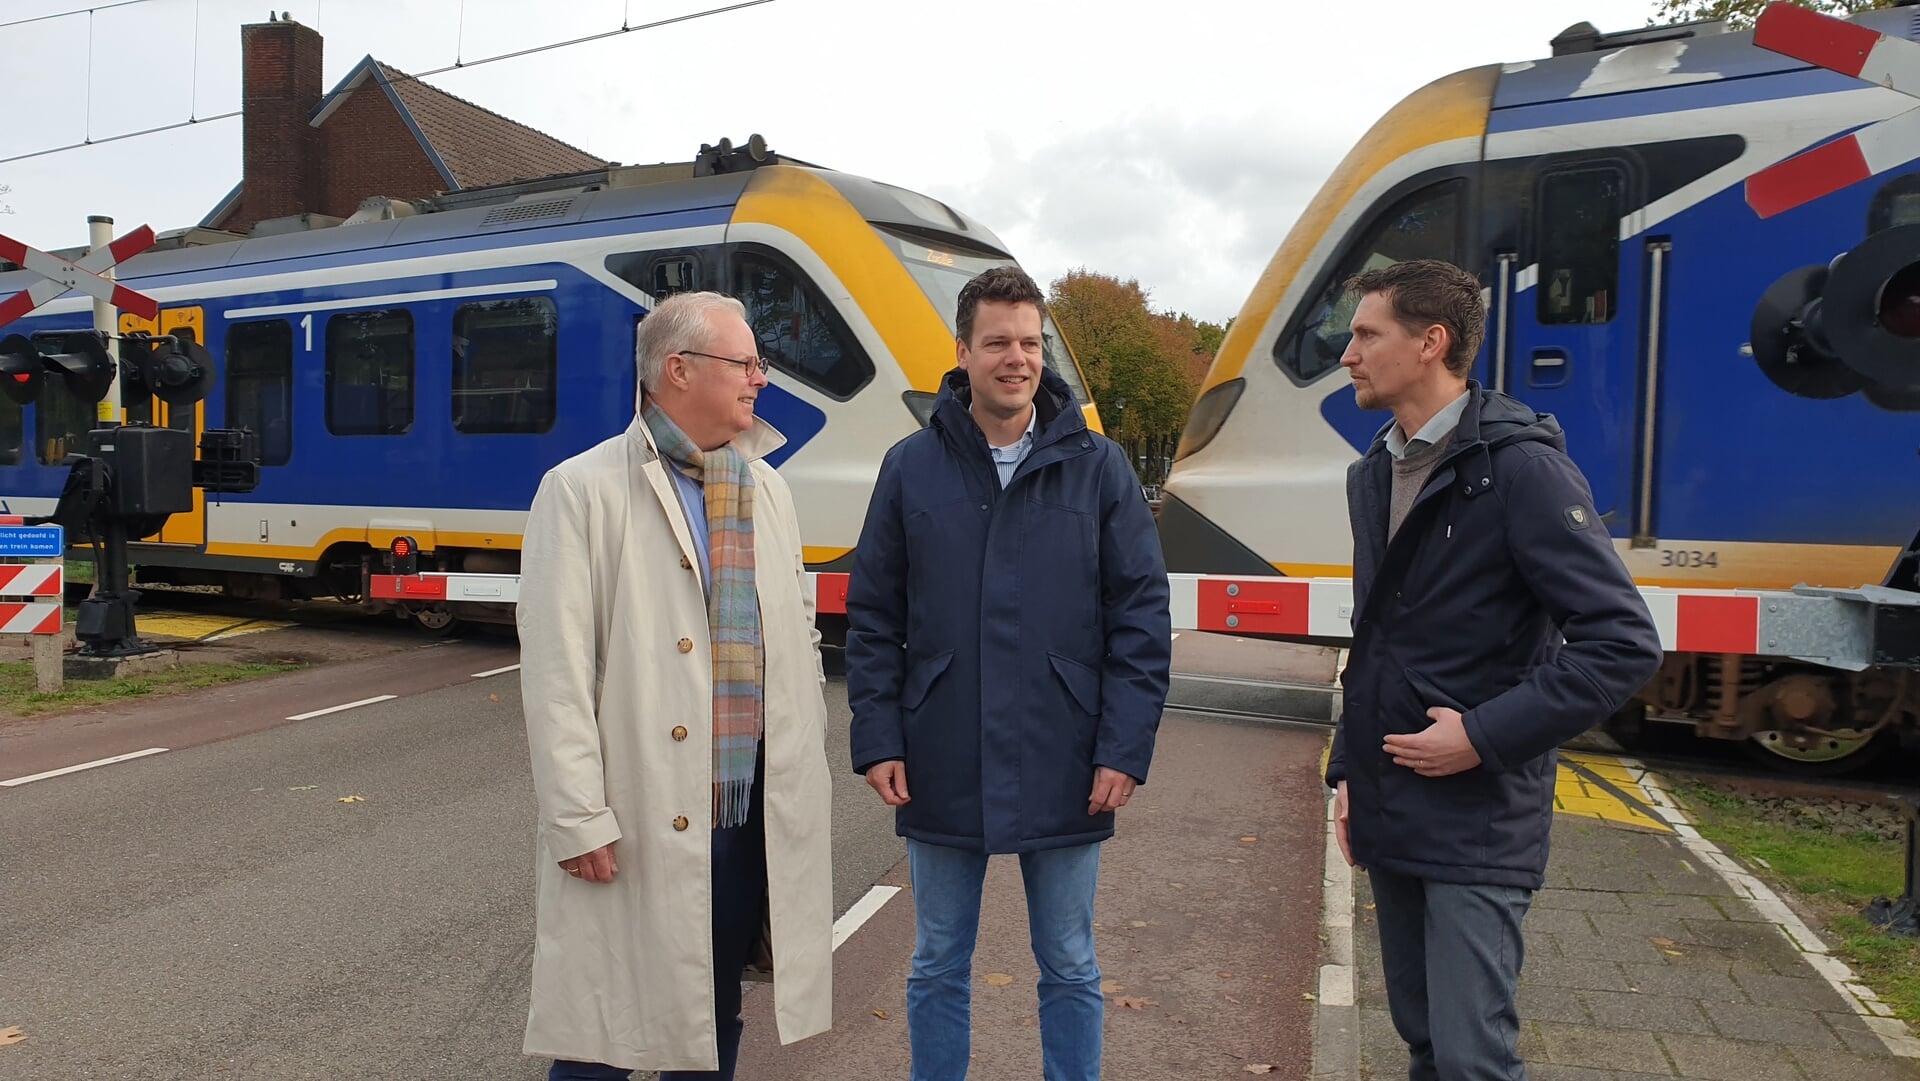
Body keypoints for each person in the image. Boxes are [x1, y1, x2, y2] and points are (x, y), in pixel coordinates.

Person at [1325, 259, 1662, 1081]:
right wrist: (1348, 774)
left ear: (1430, 342)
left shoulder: (1521, 469)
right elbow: (1379, 641)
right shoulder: (1374, 471)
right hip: (1393, 801)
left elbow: (1623, 642)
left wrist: (1479, 735)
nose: (1348, 354)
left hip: (1478, 819)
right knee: (1425, 1042)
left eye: (1367, 334)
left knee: (1475, 1058)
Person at [846, 265, 1172, 1081]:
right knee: (936, 962)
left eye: (1030, 342)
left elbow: (1140, 616)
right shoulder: (909, 467)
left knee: (1069, 962)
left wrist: (1122, 747)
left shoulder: (1100, 468)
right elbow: (876, 616)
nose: (1017, 358)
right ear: (963, 351)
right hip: (941, 751)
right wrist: (878, 733)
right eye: (998, 342)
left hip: (1065, 754)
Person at [516, 291, 834, 1080]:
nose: (761, 378)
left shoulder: (769, 490)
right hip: (638, 807)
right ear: (678, 369)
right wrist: (576, 816)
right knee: (606, 1027)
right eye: (746, 363)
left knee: (713, 1009)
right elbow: (557, 672)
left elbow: (798, 631)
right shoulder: (581, 490)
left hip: (742, 808)